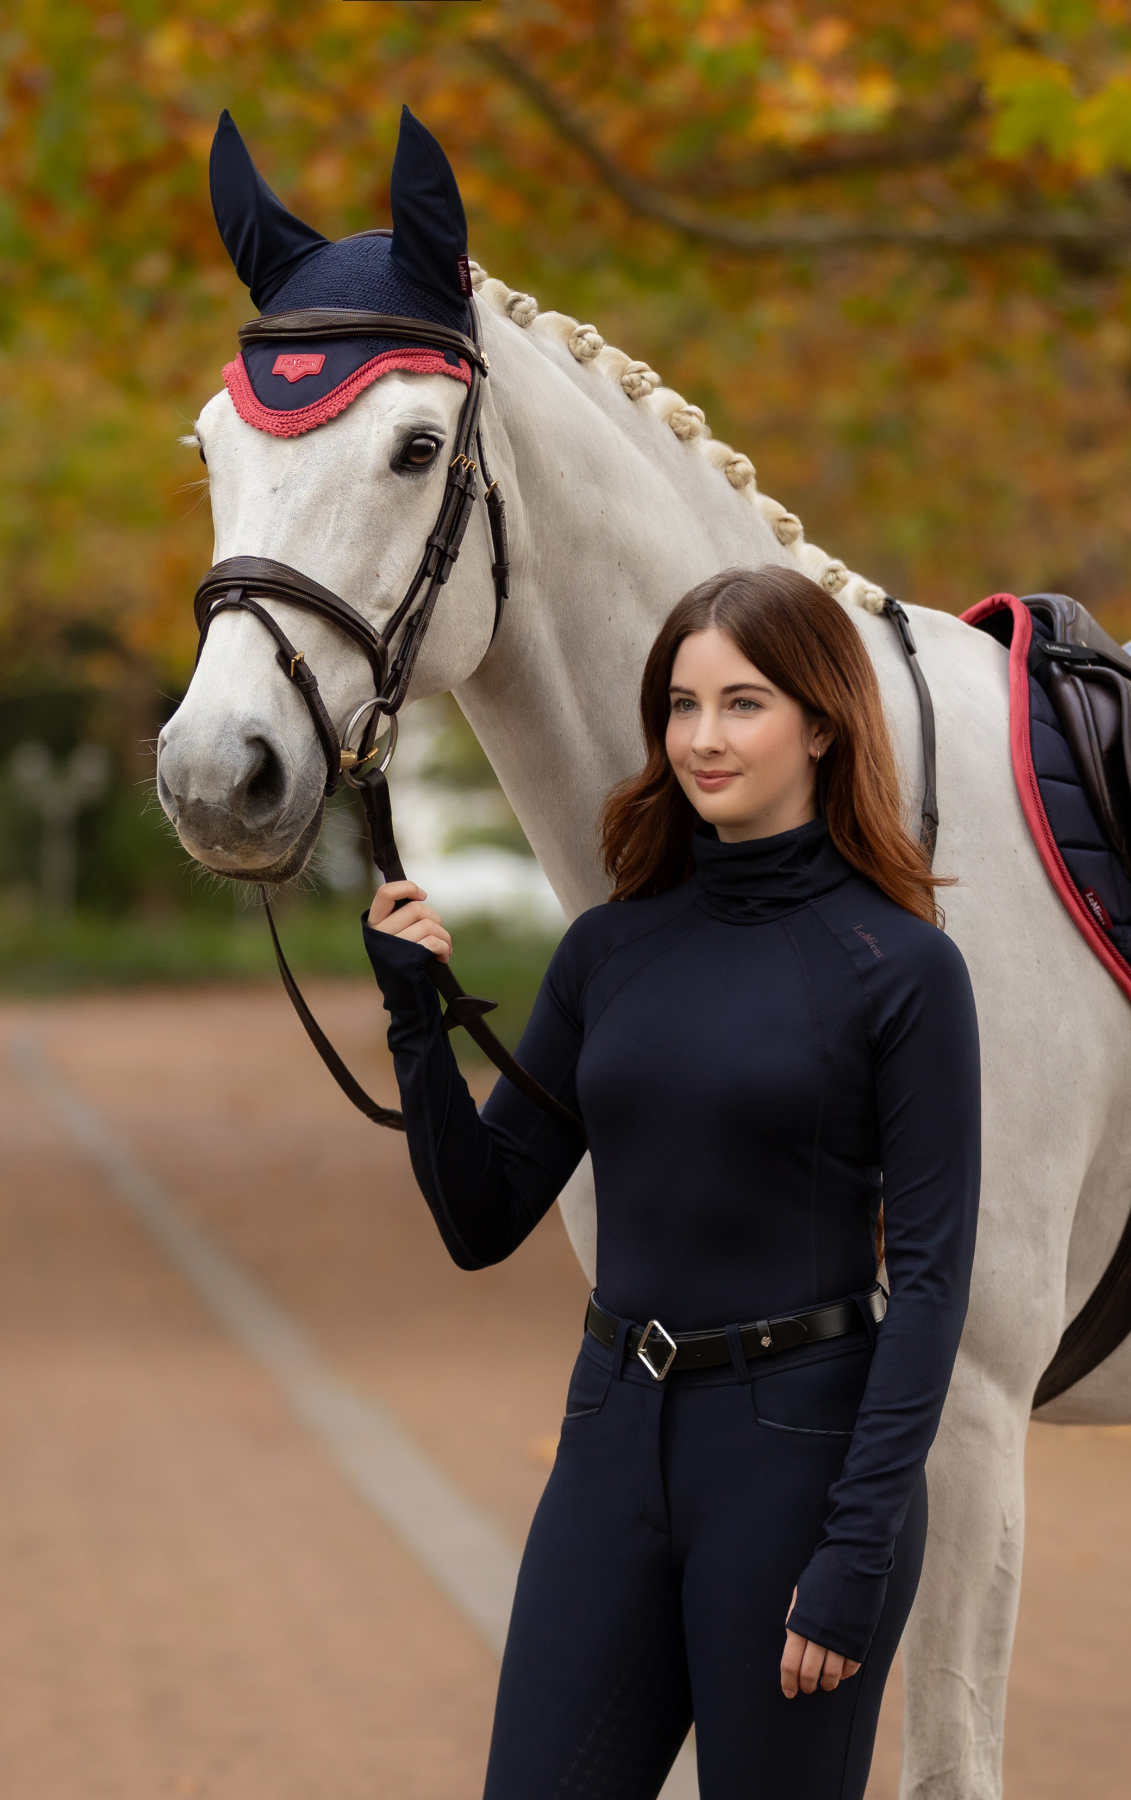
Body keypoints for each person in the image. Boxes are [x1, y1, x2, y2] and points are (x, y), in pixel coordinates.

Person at [362, 564, 982, 1800]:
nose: (702, 738)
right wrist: (416, 1018)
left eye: (742, 703)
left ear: (821, 722)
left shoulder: (902, 971)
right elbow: (482, 1219)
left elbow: (932, 1287)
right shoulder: (610, 950)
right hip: (611, 1441)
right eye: (681, 705)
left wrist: (856, 1551)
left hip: (798, 1465)